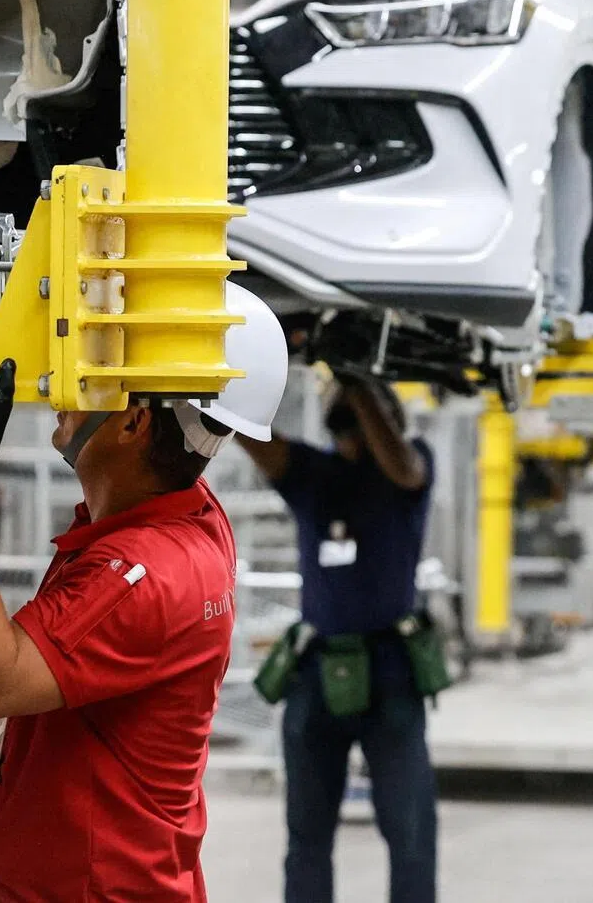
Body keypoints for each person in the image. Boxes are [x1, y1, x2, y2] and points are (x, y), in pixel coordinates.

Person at [0, 284, 287, 902]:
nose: (67, 382)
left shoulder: (141, 574)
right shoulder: (187, 518)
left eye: (94, 372)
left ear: (137, 420)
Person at [240, 375, 437, 903]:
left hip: (391, 674)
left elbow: (403, 464)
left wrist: (356, 382)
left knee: (410, 833)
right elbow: (256, 441)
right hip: (317, 675)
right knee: (306, 837)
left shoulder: (409, 465)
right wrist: (220, 388)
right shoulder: (312, 474)